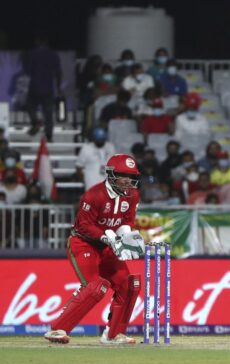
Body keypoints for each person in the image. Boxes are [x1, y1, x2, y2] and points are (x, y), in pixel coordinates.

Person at [44, 154, 144, 345]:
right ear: (111, 174)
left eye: (131, 176)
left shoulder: (132, 194)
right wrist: (108, 237)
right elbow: (84, 226)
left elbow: (127, 220)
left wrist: (126, 236)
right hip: (83, 243)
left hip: (108, 245)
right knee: (96, 287)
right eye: (123, 175)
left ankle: (114, 334)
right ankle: (57, 329)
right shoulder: (94, 195)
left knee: (129, 284)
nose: (128, 180)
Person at [24, 33, 62, 141]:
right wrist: (58, 87)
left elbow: (27, 71)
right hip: (48, 88)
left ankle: (35, 122)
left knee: (30, 106)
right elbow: (58, 73)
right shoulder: (53, 55)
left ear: (37, 41)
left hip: (35, 87)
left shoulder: (32, 54)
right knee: (48, 113)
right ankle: (49, 135)